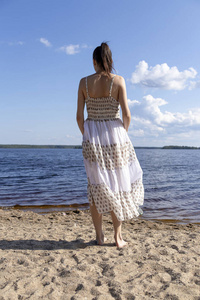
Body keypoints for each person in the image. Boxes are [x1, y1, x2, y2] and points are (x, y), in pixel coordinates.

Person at [76, 42, 144, 248]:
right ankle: (118, 237)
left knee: (96, 186)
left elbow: (79, 117)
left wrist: (88, 134)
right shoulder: (119, 81)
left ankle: (99, 236)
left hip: (92, 136)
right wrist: (122, 134)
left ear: (94, 61)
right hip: (116, 136)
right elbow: (127, 114)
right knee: (118, 184)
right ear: (110, 61)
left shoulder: (83, 82)